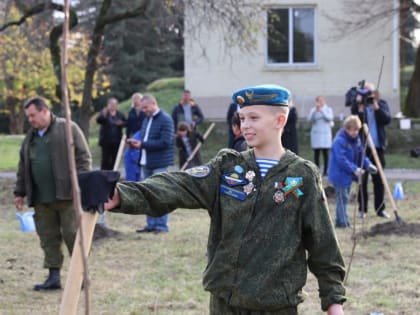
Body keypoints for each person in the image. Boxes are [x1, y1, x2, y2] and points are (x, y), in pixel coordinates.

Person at [104, 85, 346, 314]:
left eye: (254, 118)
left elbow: (322, 241)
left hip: (276, 304)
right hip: (225, 300)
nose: (245, 126)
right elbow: (178, 185)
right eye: (242, 118)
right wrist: (120, 195)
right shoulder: (228, 167)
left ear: (279, 120)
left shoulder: (301, 175)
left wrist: (333, 301)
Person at [13, 96, 92, 291]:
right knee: (48, 238)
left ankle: (82, 276)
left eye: (33, 115)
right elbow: (23, 166)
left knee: (73, 235)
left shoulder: (68, 128)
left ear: (44, 111)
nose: (30, 120)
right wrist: (19, 192)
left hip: (67, 195)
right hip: (41, 198)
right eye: (28, 116)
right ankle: (53, 277)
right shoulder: (30, 137)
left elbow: (84, 158)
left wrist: (80, 184)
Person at [127, 94, 175, 233]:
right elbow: (143, 139)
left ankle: (161, 226)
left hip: (159, 163)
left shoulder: (166, 119)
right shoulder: (146, 120)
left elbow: (165, 142)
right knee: (148, 195)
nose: (144, 110)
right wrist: (136, 144)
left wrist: (142, 144)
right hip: (145, 163)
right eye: (142, 108)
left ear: (154, 104)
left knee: (160, 194)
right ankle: (151, 225)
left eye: (145, 107)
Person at [351, 82, 391, 218]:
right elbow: (354, 122)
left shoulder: (381, 103)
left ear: (374, 92)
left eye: (369, 92)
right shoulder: (358, 106)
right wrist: (360, 107)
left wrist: (376, 107)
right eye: (365, 92)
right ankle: (363, 209)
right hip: (362, 149)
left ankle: (380, 209)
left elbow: (386, 120)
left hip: (378, 148)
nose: (367, 95)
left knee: (379, 180)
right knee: (362, 179)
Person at [328, 115, 377, 228]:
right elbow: (341, 160)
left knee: (345, 197)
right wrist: (354, 169)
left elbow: (361, 155)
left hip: (347, 174)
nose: (355, 132)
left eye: (357, 130)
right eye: (353, 130)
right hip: (339, 174)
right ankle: (342, 223)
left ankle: (342, 221)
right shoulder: (339, 141)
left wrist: (368, 164)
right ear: (347, 128)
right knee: (342, 198)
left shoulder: (356, 140)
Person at [96, 97, 127, 170]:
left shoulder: (120, 114)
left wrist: (121, 123)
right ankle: (103, 175)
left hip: (116, 141)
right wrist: (103, 115)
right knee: (105, 159)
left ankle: (113, 174)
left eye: (114, 104)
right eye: (111, 104)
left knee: (115, 158)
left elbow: (126, 123)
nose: (113, 106)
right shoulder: (104, 113)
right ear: (108, 105)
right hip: (106, 141)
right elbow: (99, 120)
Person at [307, 96, 334, 176]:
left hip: (325, 135)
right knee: (317, 154)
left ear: (324, 101)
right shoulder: (313, 110)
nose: (320, 102)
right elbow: (309, 119)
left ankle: (326, 171)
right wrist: (315, 111)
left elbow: (329, 118)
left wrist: (322, 111)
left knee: (326, 154)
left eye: (321, 101)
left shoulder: (328, 109)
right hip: (316, 135)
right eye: (318, 101)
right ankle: (317, 171)